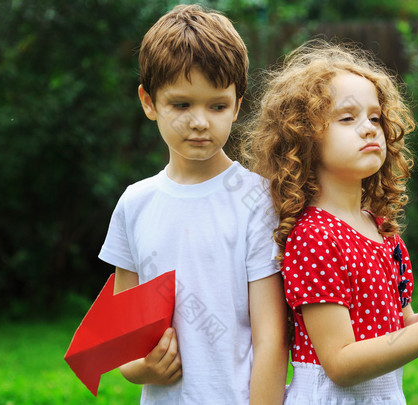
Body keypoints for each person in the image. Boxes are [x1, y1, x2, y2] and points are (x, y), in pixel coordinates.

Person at [243, 39, 418, 404]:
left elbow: (395, 336)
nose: (370, 128)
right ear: (304, 137)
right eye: (347, 118)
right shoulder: (314, 238)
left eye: (375, 117)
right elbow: (340, 362)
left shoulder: (382, 232)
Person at [98, 5, 288, 404]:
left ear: (237, 105)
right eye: (181, 105)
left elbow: (271, 336)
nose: (200, 121)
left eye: (217, 106)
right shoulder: (135, 203)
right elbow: (122, 337)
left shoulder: (256, 199)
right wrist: (141, 369)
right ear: (149, 102)